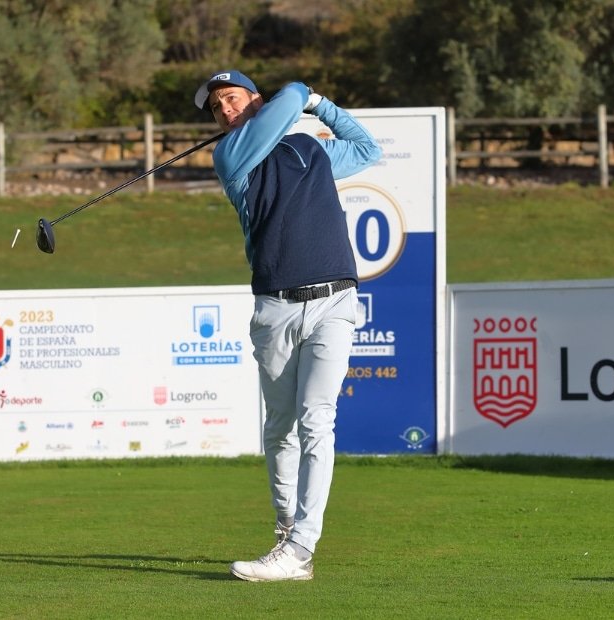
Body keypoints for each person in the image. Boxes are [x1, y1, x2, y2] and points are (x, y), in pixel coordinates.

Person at [193, 70, 382, 581]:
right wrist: (299, 91)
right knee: (280, 429)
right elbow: (287, 100)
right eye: (216, 108)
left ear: (254, 97)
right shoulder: (231, 158)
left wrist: (320, 103)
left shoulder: (309, 150)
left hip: (334, 302)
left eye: (232, 99)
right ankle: (284, 531)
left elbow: (367, 151)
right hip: (275, 307)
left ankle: (301, 546)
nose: (225, 112)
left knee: (316, 420)